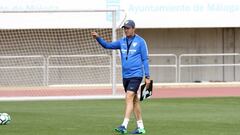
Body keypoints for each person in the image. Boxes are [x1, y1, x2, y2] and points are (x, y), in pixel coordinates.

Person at [91, 20, 150, 134]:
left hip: (136, 75)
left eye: (128, 28)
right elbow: (107, 45)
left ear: (134, 28)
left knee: (128, 97)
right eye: (125, 28)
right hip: (125, 76)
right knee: (134, 101)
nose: (126, 30)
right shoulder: (121, 42)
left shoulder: (141, 42)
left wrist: (147, 76)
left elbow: (145, 59)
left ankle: (124, 125)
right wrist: (98, 38)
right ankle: (140, 127)